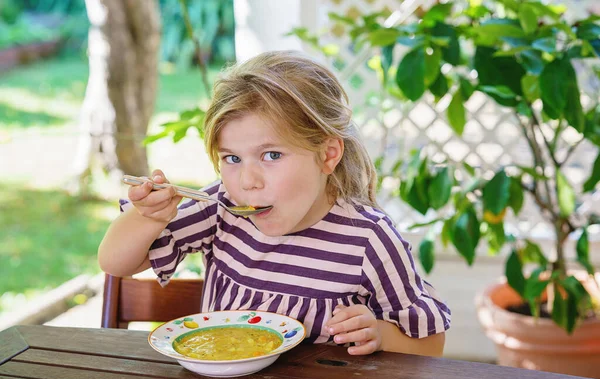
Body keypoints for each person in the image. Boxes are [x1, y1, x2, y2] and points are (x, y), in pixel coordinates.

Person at [98, 51, 450, 356]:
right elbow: (115, 262)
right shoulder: (221, 206)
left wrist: (380, 334)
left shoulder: (367, 238)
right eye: (232, 159)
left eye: (271, 155)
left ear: (327, 155)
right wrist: (148, 217)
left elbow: (431, 344)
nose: (248, 181)